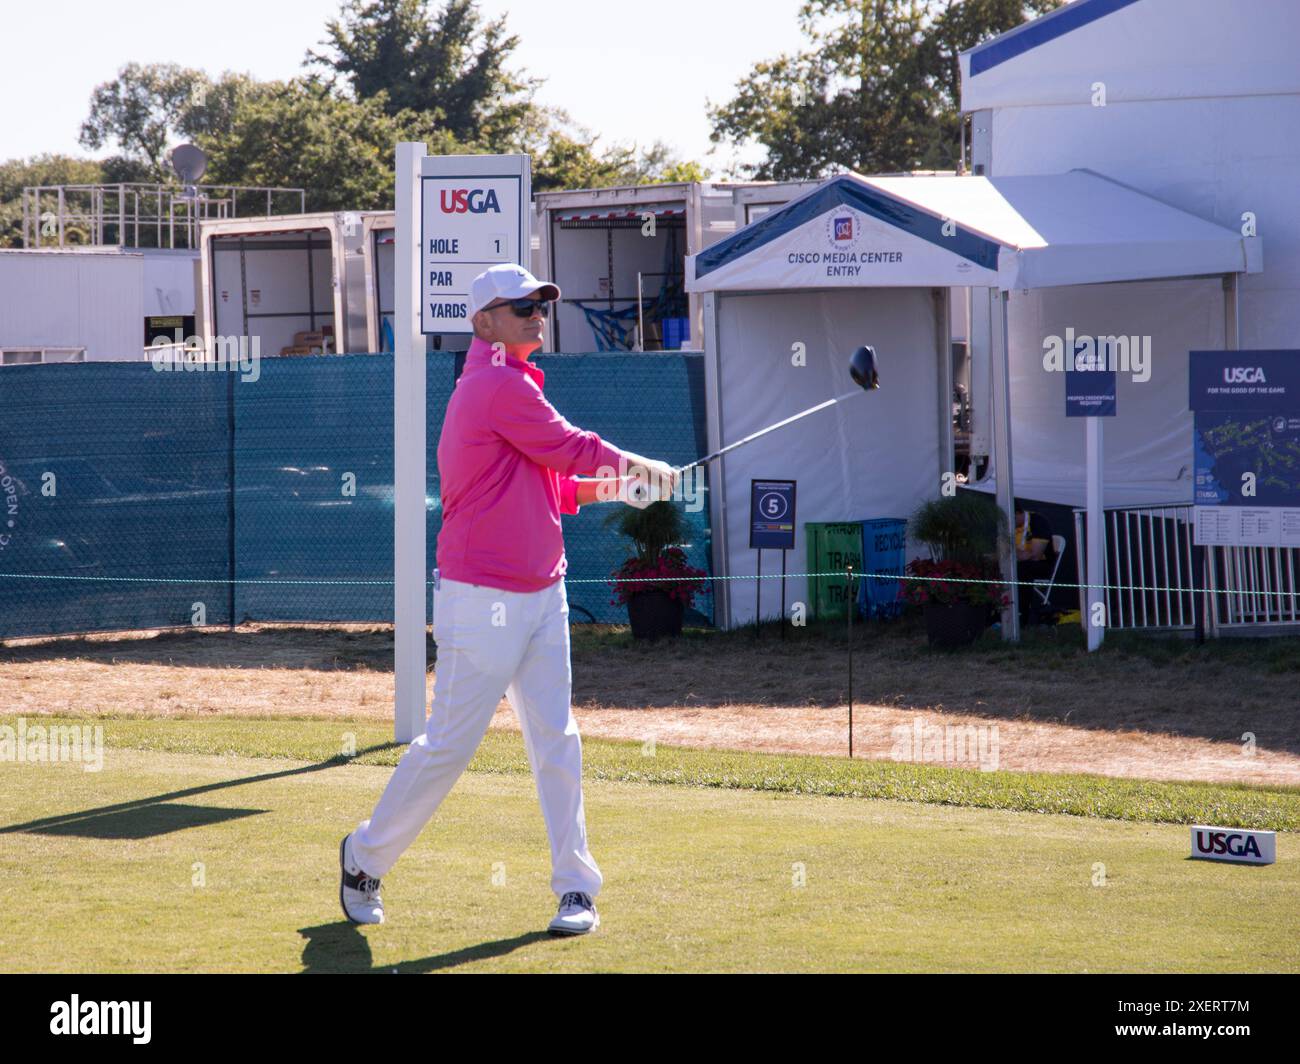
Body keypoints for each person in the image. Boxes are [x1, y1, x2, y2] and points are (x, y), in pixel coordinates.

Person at [339, 263, 677, 936]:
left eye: (541, 302)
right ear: (483, 323)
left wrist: (621, 488)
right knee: (448, 747)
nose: (535, 312)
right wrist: (638, 468)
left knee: (557, 740)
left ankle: (576, 890)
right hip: (481, 598)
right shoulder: (493, 385)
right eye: (519, 305)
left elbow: (554, 486)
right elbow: (571, 447)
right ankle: (363, 857)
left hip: (543, 593)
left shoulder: (511, 386)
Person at [1014, 507, 1057, 622]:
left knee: (1021, 569)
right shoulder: (1008, 526)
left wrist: (1010, 552)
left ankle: (1022, 614)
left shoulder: (1038, 521)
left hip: (1041, 565)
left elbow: (1035, 555)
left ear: (1018, 513)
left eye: (1011, 518)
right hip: (1017, 563)